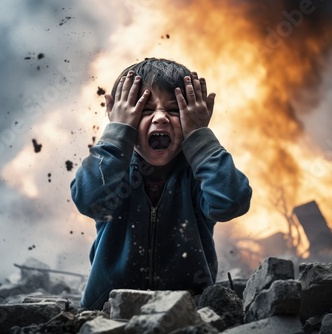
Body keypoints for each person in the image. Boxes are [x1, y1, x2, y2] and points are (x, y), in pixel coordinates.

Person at [71, 58, 252, 310]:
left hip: (186, 311)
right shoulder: (114, 170)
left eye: (175, 110)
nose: (160, 118)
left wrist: (199, 137)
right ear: (123, 118)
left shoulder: (198, 174)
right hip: (108, 311)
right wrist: (117, 132)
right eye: (144, 110)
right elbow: (88, 200)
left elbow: (231, 202)